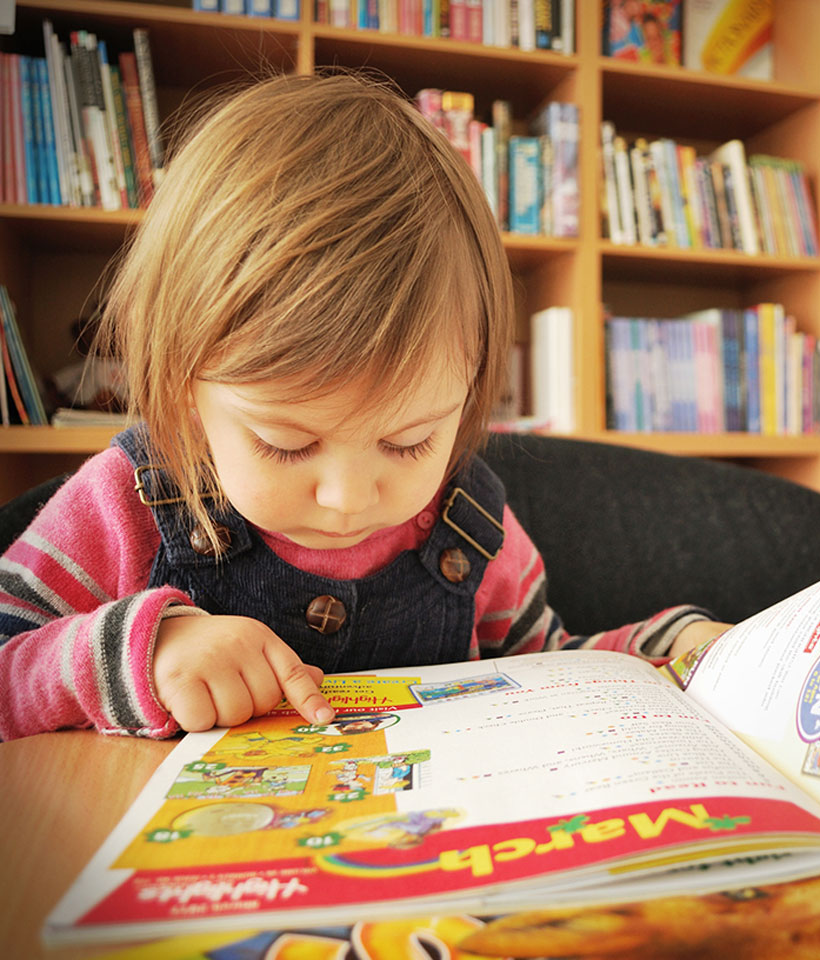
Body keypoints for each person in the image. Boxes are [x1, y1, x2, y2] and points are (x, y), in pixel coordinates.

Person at [0, 73, 728, 742]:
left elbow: (546, 665)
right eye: (285, 444)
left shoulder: (470, 525)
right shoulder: (124, 505)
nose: (347, 499)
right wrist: (142, 653)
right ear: (185, 391)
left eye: (410, 442)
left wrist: (669, 650)